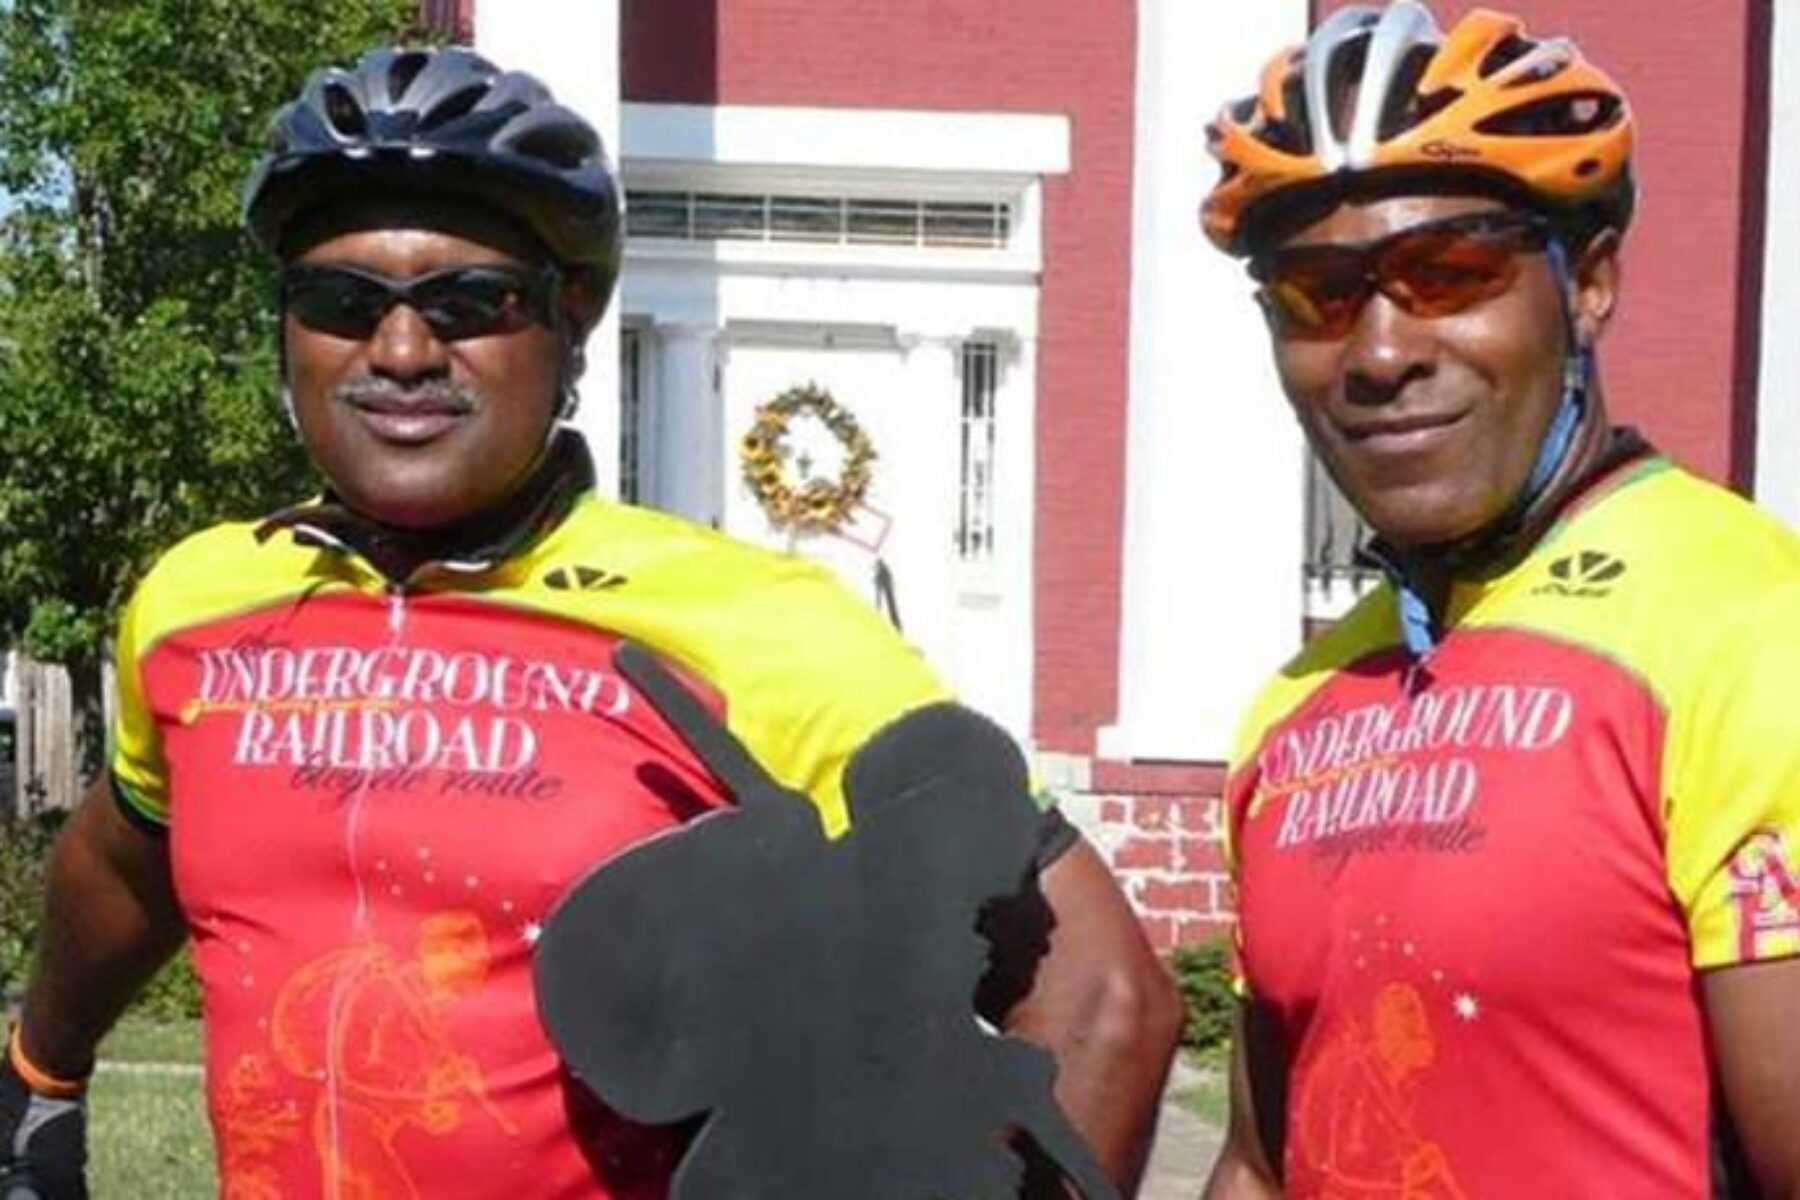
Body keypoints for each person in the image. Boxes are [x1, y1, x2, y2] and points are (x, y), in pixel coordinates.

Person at [0, 46, 1181, 1199]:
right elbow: (125, 850)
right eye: (342, 301)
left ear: (570, 321)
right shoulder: (199, 602)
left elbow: (1101, 988)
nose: (402, 350)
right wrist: (37, 1074)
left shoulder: (751, 624)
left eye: (470, 302)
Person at [1198, 4, 1800, 1197]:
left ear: (1588, 284)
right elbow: (1265, 1166)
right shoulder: (1296, 710)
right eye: (1317, 297)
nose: (1378, 353)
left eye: (1449, 274)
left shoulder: (1747, 631)